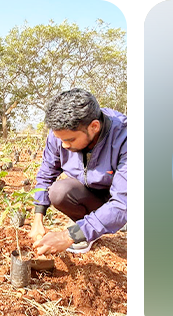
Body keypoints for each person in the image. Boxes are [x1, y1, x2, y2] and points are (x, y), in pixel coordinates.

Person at [30, 88, 127, 255]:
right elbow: (47, 172)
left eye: (70, 140)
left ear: (94, 127)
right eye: (60, 140)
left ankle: (111, 223)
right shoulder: (61, 132)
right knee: (60, 192)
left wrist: (69, 235)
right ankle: (90, 230)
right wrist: (38, 216)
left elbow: (123, 202)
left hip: (121, 198)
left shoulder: (126, 137)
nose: (64, 146)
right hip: (90, 194)